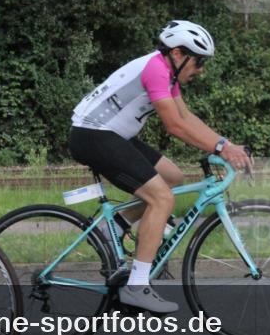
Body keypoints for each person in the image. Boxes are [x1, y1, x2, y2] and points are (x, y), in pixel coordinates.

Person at [69, 20, 252, 313]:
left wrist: (223, 143)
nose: (201, 69)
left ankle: (113, 228)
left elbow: (186, 117)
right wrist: (222, 148)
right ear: (178, 54)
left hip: (113, 135)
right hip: (93, 135)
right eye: (199, 61)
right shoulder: (156, 69)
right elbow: (174, 126)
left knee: (172, 178)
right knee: (161, 198)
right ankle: (137, 285)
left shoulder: (167, 75)